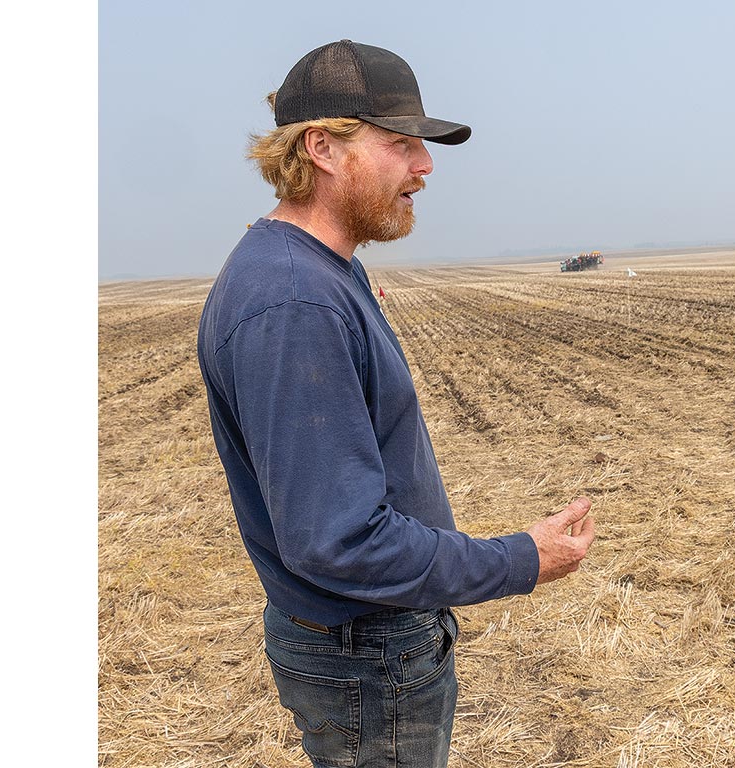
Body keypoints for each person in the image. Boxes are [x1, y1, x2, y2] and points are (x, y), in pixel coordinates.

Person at [196, 40, 596, 768]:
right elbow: (339, 539)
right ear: (321, 147)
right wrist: (518, 560)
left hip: (366, 644)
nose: (426, 166)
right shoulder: (294, 300)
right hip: (365, 656)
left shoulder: (320, 272)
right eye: (402, 143)